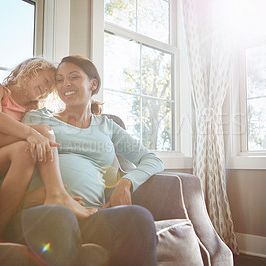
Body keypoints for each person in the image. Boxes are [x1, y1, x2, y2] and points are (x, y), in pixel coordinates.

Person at [19, 55, 164, 266]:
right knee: (59, 218)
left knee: (138, 217)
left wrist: (126, 183)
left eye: (74, 77)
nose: (65, 84)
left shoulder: (107, 127)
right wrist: (33, 197)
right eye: (59, 79)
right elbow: (14, 163)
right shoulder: (38, 118)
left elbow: (151, 159)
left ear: (93, 84)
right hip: (45, 210)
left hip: (92, 214)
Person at [0, 57, 96, 240]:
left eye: (49, 90)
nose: (46, 90)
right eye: (46, 81)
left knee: (25, 151)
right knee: (44, 132)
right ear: (30, 69)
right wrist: (32, 133)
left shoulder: (29, 113)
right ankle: (57, 193)